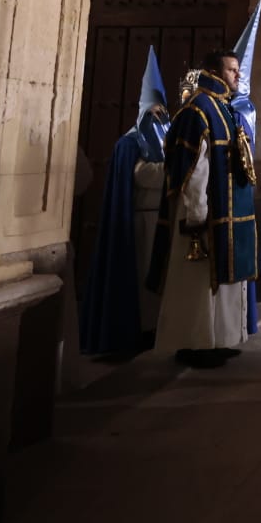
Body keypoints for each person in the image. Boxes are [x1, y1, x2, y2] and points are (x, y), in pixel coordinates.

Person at [144, 50, 258, 368]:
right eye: (231, 70)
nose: (237, 75)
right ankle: (193, 344)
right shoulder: (197, 110)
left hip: (227, 214)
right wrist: (196, 213)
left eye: (238, 70)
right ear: (212, 71)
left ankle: (217, 340)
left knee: (222, 282)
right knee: (196, 285)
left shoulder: (223, 108)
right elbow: (195, 169)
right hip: (203, 216)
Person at [79, 46, 171, 357]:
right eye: (154, 110)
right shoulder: (130, 143)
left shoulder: (164, 137)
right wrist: (178, 167)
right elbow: (142, 175)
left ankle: (157, 327)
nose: (159, 115)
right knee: (142, 277)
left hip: (160, 219)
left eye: (162, 109)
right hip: (141, 219)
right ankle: (141, 329)